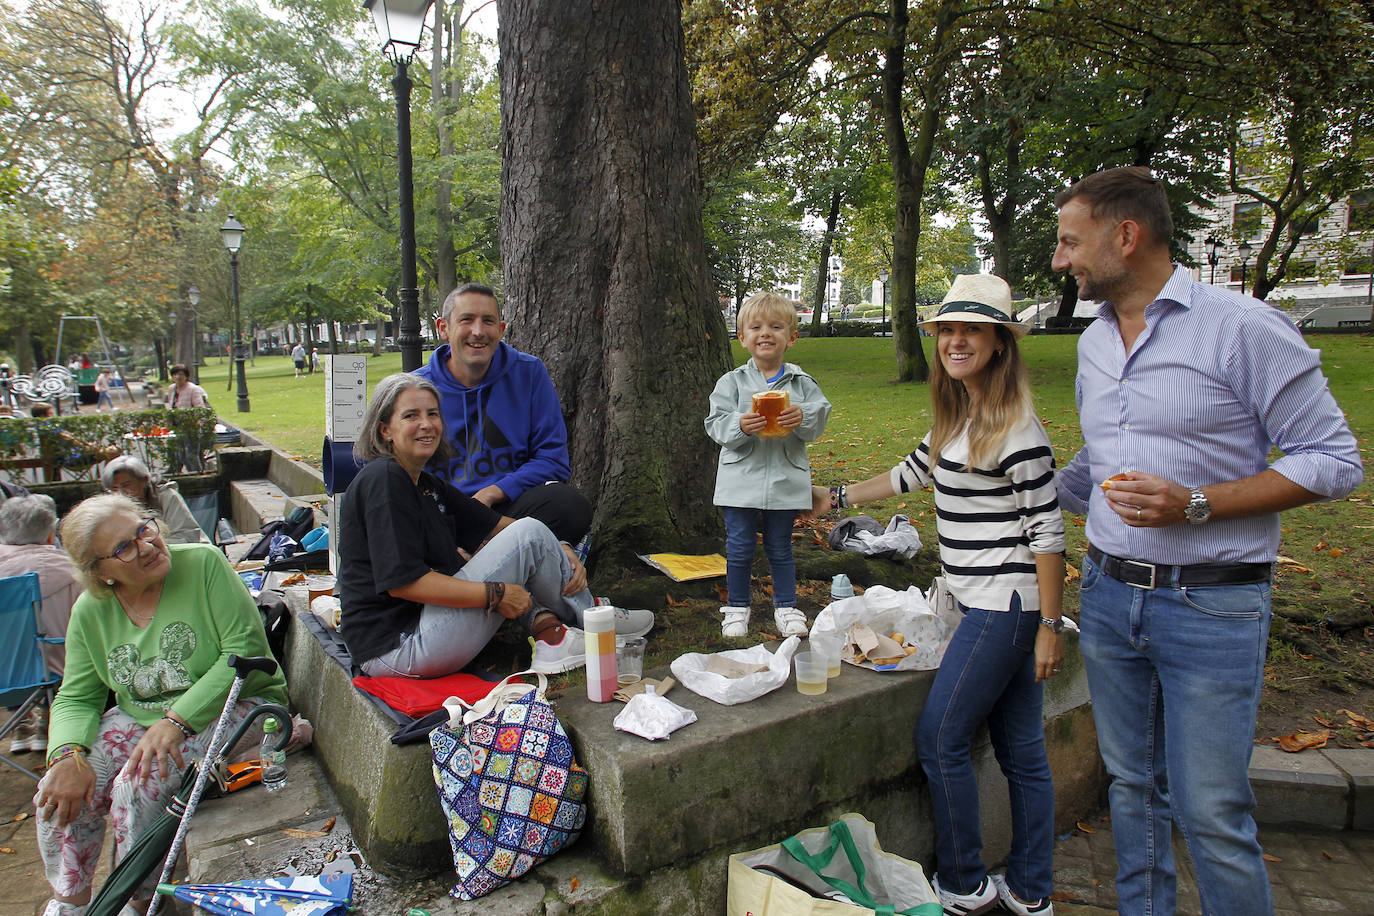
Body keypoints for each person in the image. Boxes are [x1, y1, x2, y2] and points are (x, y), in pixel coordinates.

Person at [1050, 166, 1364, 916]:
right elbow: (1100, 463)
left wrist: (1196, 504)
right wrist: (1008, 480)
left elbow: (1335, 461)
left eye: (1070, 241)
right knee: (1131, 789)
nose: (1062, 260)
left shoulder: (1242, 327)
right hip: (1106, 593)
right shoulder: (1094, 342)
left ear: (1125, 237)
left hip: (1212, 607)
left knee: (1213, 811)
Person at [812, 274, 1065, 916]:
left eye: (971, 330)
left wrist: (1049, 626)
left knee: (941, 738)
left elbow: (1049, 534)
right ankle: (1033, 890)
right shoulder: (960, 414)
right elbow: (909, 473)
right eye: (947, 330)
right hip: (982, 602)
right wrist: (833, 498)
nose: (955, 342)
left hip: (1004, 606)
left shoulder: (1018, 432)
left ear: (1000, 344)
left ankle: (963, 882)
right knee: (1021, 751)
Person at [32, 493, 290, 916]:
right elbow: (77, 696)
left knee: (140, 782)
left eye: (143, 529)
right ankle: (72, 905)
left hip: (241, 705)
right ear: (100, 573)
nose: (147, 546)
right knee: (58, 791)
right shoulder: (90, 610)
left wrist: (177, 720)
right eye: (124, 548)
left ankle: (139, 901)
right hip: (144, 719)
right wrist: (65, 755)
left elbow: (245, 654)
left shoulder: (203, 564)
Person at [337, 373, 652, 680]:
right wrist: (494, 593)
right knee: (527, 535)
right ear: (385, 430)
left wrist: (561, 548)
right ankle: (594, 618)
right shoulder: (384, 480)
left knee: (529, 531)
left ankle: (559, 636)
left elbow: (500, 527)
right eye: (411, 416)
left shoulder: (426, 485)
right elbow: (404, 583)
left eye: (433, 413)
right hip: (398, 646)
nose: (426, 424)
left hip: (425, 628)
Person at [414, 283, 593, 546]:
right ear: (443, 328)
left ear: (501, 330)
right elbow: (395, 469)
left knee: (570, 506)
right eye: (466, 320)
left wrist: (492, 493)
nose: (478, 331)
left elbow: (553, 458)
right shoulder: (416, 388)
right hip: (443, 513)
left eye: (488, 321)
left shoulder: (528, 373)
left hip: (506, 509)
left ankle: (479, 555)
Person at [705, 291, 831, 638]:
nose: (766, 333)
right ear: (742, 337)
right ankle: (737, 607)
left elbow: (818, 421)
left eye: (776, 327)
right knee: (740, 547)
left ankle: (787, 606)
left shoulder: (802, 383)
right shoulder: (732, 382)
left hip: (785, 479)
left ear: (791, 337)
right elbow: (715, 423)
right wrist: (740, 425)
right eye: (756, 327)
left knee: (780, 546)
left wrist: (801, 417)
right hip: (740, 480)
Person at [0, 494, 82, 755]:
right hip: (57, 676)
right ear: (50, 534)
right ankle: (49, 719)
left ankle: (21, 725)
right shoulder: (72, 570)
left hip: (6, 679)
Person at [101, 455, 210, 545]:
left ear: (144, 480)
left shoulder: (166, 496)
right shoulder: (115, 509)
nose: (121, 493)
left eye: (126, 485)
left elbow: (188, 536)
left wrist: (147, 545)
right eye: (114, 489)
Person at [164, 364, 208, 473]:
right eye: (175, 375)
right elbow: (170, 405)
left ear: (186, 376)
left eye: (180, 374)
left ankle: (196, 475)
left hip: (191, 427)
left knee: (191, 455)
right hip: (176, 426)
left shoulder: (193, 389)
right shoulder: (172, 389)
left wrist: (198, 423)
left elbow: (200, 408)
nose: (178, 377)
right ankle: (175, 472)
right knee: (177, 452)